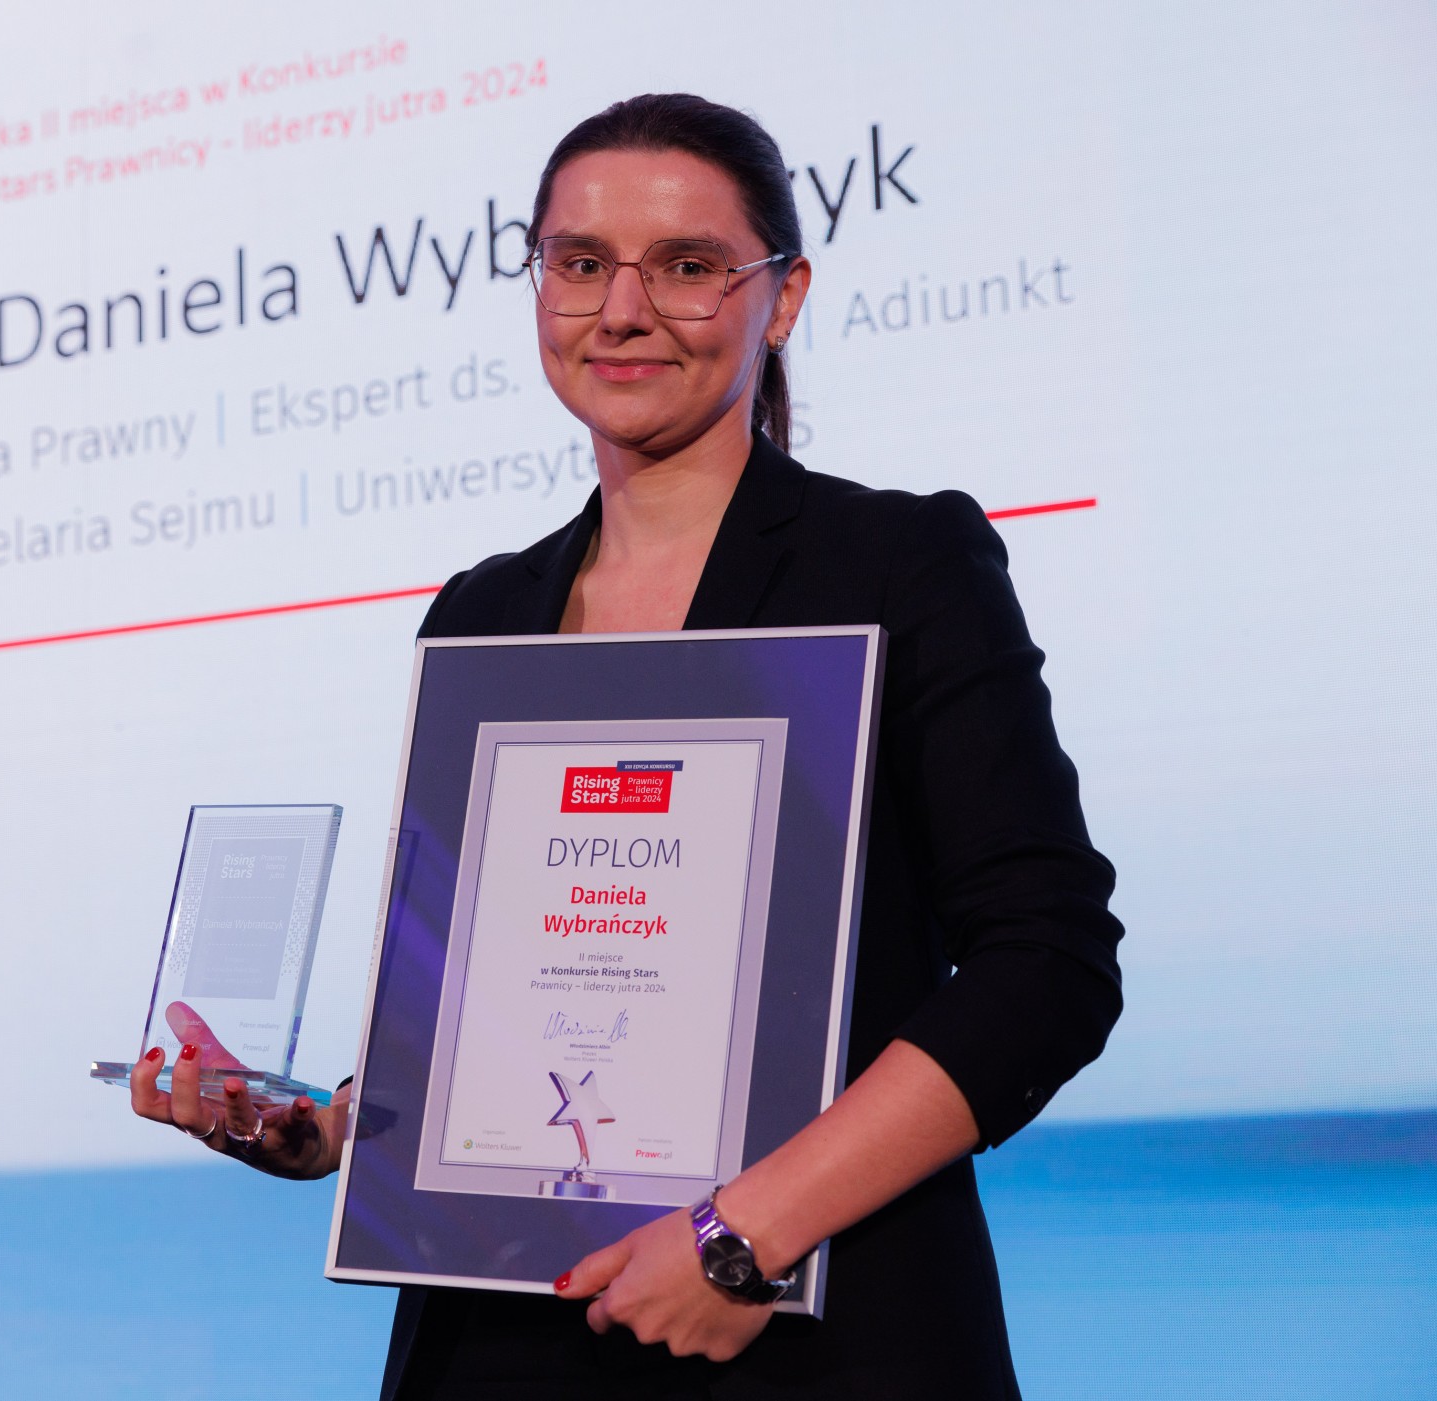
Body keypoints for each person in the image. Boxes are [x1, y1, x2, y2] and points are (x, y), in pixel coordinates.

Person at [131, 93, 1123, 1399]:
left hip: (810, 1335)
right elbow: (509, 1003)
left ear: (783, 297)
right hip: (504, 1340)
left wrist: (737, 1241)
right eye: (582, 261)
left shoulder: (899, 563)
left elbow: (1048, 966)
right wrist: (318, 1128)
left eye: (690, 265)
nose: (623, 309)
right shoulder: (483, 611)